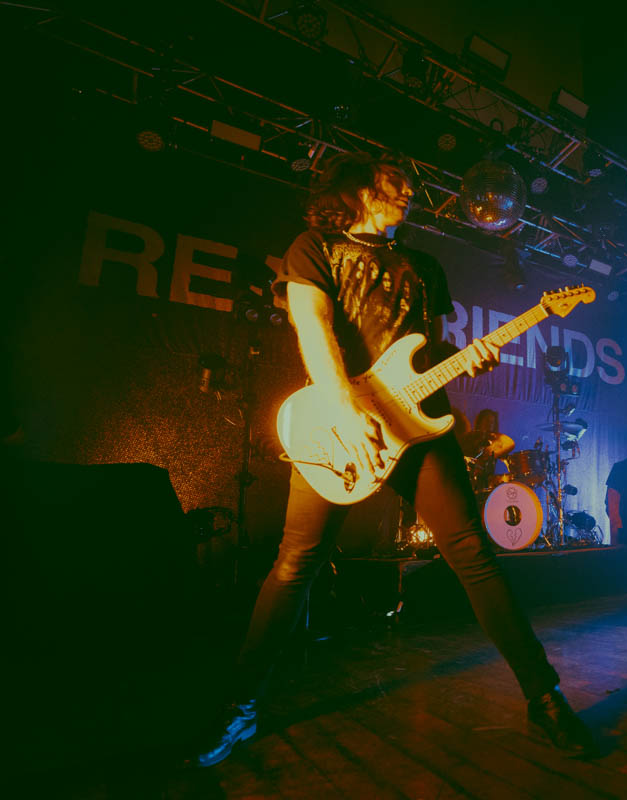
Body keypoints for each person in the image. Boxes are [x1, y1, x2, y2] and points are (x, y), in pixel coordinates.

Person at [192, 152, 594, 766]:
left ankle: (545, 699)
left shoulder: (424, 265)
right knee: (295, 565)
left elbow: (426, 351)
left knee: (474, 557)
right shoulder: (314, 248)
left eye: (411, 185)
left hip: (418, 427)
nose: (409, 192)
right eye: (395, 183)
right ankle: (238, 707)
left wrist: (468, 358)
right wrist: (346, 409)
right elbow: (314, 330)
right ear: (359, 189)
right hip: (338, 424)